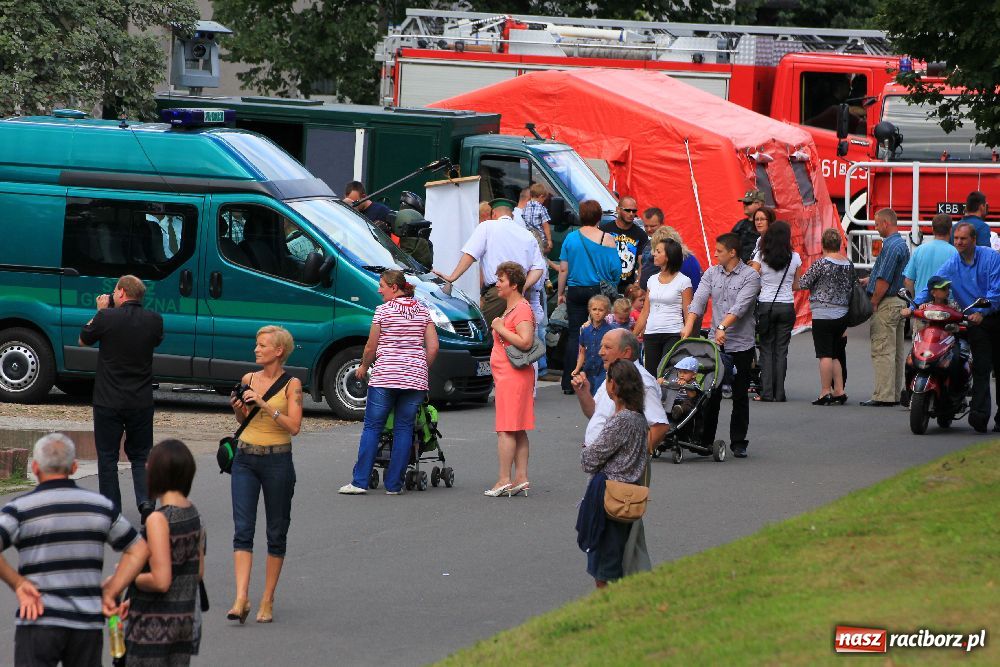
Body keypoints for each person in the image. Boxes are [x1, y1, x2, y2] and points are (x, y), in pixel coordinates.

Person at [0, 433, 149, 667]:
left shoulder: (19, 509)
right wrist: (111, 589)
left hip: (38, 619)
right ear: (75, 466)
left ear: (36, 467)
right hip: (86, 623)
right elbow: (138, 549)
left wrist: (18, 583)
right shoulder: (100, 507)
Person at [571, 329, 668, 577]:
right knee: (624, 541)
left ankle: (625, 595)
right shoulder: (612, 378)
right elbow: (596, 415)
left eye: (607, 347)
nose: (600, 351)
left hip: (618, 476)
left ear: (625, 352)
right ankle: (635, 585)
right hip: (611, 468)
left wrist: (633, 458)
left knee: (614, 545)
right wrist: (584, 393)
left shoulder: (640, 381)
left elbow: (659, 425)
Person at [227, 325, 304, 624]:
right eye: (256, 344)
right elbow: (244, 419)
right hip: (245, 458)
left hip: (277, 461)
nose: (256, 349)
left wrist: (264, 405)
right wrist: (238, 409)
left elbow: (294, 426)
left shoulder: (292, 385)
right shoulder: (248, 379)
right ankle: (241, 597)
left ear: (278, 351)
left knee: (276, 531)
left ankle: (267, 599)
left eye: (262, 345)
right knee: (242, 529)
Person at [339, 270, 439, 495]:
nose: (379, 289)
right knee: (404, 428)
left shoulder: (383, 311)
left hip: (385, 376)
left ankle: (359, 482)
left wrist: (364, 367)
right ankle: (394, 485)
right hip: (414, 378)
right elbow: (433, 347)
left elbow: (371, 347)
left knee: (373, 427)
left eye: (382, 285)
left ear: (394, 287)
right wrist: (420, 368)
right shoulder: (423, 311)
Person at [79, 274, 164, 520]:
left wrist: (99, 311)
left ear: (122, 293)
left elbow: (83, 339)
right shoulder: (154, 320)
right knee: (141, 454)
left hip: (108, 399)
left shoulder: (106, 317)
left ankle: (110, 508)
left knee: (107, 456)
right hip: (140, 399)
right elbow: (156, 341)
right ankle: (146, 501)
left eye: (115, 291)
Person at [124, 439, 205, 667]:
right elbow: (197, 571)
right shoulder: (195, 514)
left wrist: (132, 577)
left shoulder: (159, 519)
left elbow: (161, 581)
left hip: (153, 627)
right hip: (183, 623)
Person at [913, 222, 1000, 432]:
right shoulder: (953, 263)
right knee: (980, 366)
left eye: (963, 239)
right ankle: (978, 415)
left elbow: (996, 291)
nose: (959, 242)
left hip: (994, 314)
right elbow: (933, 283)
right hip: (973, 318)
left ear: (973, 240)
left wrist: (984, 311)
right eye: (956, 238)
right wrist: (914, 305)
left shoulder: (991, 258)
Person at [681, 233, 761, 458]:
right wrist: (688, 328)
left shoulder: (750, 276)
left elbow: (741, 306)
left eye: (719, 251)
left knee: (739, 394)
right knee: (710, 391)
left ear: (732, 253)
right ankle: (705, 439)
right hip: (716, 344)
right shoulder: (711, 273)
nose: (714, 254)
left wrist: (723, 327)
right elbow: (698, 301)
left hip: (740, 343)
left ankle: (738, 441)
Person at [579, 359, 649, 588]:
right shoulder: (638, 418)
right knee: (620, 557)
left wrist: (588, 450)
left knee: (605, 566)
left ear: (614, 386)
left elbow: (589, 460)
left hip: (610, 495)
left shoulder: (622, 421)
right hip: (628, 494)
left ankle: (608, 615)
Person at [433, 197, 545, 326]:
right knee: (511, 336)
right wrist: (523, 287)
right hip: (522, 296)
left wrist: (452, 277)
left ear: (494, 214)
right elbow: (538, 268)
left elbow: (470, 254)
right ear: (512, 215)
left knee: (485, 335)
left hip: (499, 293)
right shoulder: (527, 234)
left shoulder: (487, 226)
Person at [557, 200, 621, 394]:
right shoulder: (607, 239)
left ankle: (569, 381)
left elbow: (563, 269)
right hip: (597, 291)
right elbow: (615, 271)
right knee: (600, 333)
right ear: (599, 217)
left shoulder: (570, 238)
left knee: (575, 334)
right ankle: (597, 380)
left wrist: (561, 293)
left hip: (575, 290)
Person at [485, 261, 537, 497]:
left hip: (513, 376)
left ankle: (504, 479)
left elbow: (525, 341)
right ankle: (520, 478)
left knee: (506, 428)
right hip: (509, 375)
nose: (497, 284)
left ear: (513, 285)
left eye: (502, 280)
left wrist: (499, 327)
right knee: (517, 427)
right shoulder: (512, 309)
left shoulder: (521, 309)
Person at [859, 208, 910, 407]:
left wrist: (873, 301)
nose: (876, 227)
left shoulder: (890, 246)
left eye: (877, 224)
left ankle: (883, 395)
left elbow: (884, 279)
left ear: (886, 223)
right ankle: (894, 393)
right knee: (896, 351)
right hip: (899, 301)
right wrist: (869, 279)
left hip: (886, 303)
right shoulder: (901, 244)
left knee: (882, 350)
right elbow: (893, 274)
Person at [798, 228, 853, 405]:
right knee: (837, 353)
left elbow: (803, 283)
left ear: (823, 245)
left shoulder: (821, 264)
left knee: (825, 354)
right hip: (842, 313)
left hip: (823, 314)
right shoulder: (848, 264)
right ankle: (839, 390)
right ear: (839, 245)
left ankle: (824, 391)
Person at [750, 220, 801, 402]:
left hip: (766, 305)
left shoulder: (760, 256)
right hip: (787, 305)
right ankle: (780, 393)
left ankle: (767, 392)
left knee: (766, 349)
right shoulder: (794, 257)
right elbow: (796, 285)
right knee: (781, 350)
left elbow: (751, 280)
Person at [633, 237, 692, 379]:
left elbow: (688, 311)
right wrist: (633, 334)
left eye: (658, 251)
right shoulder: (652, 280)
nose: (654, 254)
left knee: (665, 374)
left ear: (669, 256)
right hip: (651, 333)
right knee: (651, 375)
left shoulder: (684, 281)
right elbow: (645, 311)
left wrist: (687, 332)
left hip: (673, 332)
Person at [903, 213, 959, 329]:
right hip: (947, 312)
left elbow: (908, 281)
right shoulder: (955, 253)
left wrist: (915, 302)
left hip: (923, 311)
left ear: (932, 229)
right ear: (950, 230)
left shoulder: (920, 250)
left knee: (920, 344)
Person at [600, 196, 649, 295]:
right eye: (627, 210)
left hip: (628, 287)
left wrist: (637, 282)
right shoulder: (604, 230)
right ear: (618, 210)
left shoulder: (641, 234)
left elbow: (642, 263)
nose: (631, 214)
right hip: (605, 285)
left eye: (634, 211)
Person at [573, 294, 614, 395]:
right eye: (594, 309)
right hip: (588, 370)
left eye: (601, 310)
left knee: (600, 396)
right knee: (590, 397)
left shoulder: (610, 330)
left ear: (607, 312)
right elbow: (582, 352)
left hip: (603, 371)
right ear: (589, 310)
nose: (597, 313)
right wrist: (577, 368)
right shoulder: (585, 330)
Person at [654, 225, 703, 293]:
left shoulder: (687, 264)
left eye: (658, 251)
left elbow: (695, 293)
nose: (654, 253)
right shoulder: (686, 260)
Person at [664, 356, 703, 422]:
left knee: (689, 403)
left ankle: (679, 410)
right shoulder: (676, 380)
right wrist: (663, 381)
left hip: (685, 403)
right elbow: (669, 385)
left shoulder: (694, 384)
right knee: (667, 398)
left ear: (694, 375)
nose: (681, 375)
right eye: (680, 372)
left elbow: (693, 396)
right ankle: (668, 409)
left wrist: (685, 386)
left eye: (685, 372)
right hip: (674, 401)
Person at [732, 190, 765, 263]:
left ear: (759, 204)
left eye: (748, 203)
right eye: (744, 203)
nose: (744, 205)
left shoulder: (769, 225)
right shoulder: (740, 225)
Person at [522, 183, 553, 253]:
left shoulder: (525, 207)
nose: (543, 202)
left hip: (529, 239)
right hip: (541, 240)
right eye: (544, 200)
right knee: (542, 257)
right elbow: (545, 226)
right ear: (541, 197)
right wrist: (549, 240)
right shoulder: (541, 209)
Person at [638, 207, 664, 288]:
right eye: (646, 226)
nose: (649, 229)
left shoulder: (667, 245)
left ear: (661, 224)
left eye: (652, 226)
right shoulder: (647, 243)